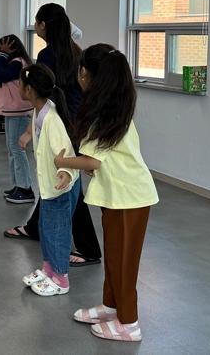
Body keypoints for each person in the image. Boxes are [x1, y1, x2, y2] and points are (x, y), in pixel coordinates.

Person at [55, 44, 158, 342]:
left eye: (81, 70)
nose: (79, 75)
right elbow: (103, 159)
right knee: (114, 255)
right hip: (117, 194)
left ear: (88, 75)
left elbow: (91, 160)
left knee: (125, 262)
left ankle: (129, 323)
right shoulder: (108, 110)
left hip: (132, 197)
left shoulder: (106, 115)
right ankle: (111, 306)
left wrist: (61, 162)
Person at [4, 3, 102, 268]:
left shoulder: (48, 55)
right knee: (54, 179)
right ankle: (35, 227)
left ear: (44, 25)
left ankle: (90, 248)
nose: (34, 27)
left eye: (36, 22)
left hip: (61, 125)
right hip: (76, 124)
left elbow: (42, 97)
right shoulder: (75, 51)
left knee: (68, 187)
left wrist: (28, 130)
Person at [17, 64, 81, 296]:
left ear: (30, 90)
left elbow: (66, 152)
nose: (18, 87)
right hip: (49, 187)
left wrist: (65, 173)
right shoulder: (40, 109)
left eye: (20, 84)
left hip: (60, 187)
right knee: (46, 229)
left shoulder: (52, 119)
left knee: (58, 231)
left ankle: (61, 278)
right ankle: (48, 269)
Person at [0, 34, 34, 201]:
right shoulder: (16, 62)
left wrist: (2, 55)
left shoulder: (17, 63)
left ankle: (26, 189)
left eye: (2, 47)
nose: (0, 50)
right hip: (12, 111)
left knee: (17, 149)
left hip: (19, 112)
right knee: (12, 149)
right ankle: (19, 185)